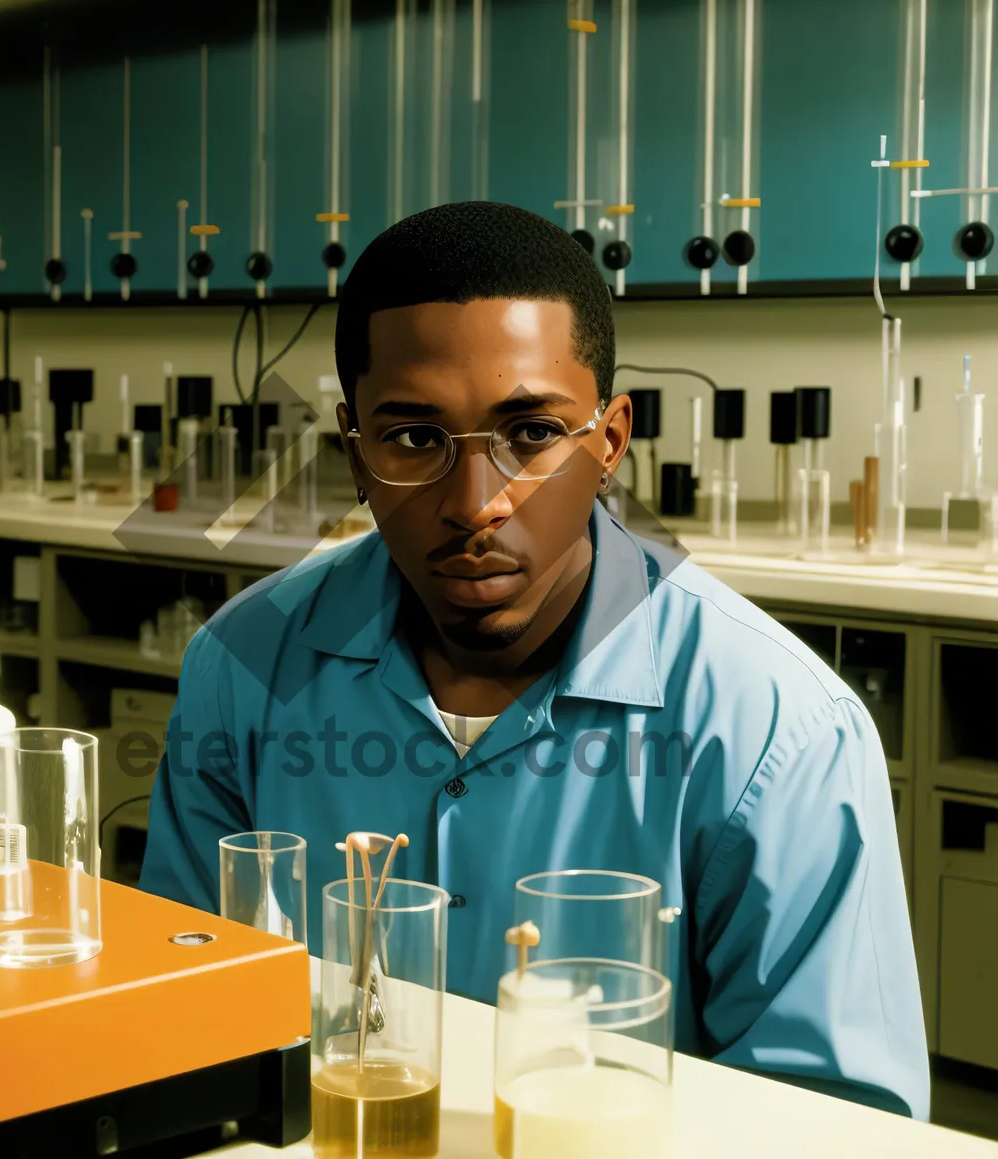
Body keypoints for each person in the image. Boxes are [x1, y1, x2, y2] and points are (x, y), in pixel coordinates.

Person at [139, 201, 928, 1119]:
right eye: (414, 438)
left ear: (609, 442)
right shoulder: (241, 670)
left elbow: (839, 1122)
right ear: (355, 453)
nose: (477, 501)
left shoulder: (779, 731)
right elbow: (184, 1018)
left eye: (533, 434)